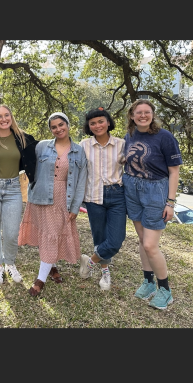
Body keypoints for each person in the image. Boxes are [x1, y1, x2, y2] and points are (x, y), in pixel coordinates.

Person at [18, 112, 87, 296]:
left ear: (68, 125)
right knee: (48, 233)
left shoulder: (79, 151)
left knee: (52, 233)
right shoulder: (41, 147)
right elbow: (28, 163)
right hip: (40, 197)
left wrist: (75, 207)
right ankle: (52, 267)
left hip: (63, 199)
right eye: (53, 127)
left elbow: (81, 181)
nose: (58, 129)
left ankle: (41, 278)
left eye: (61, 125)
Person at [123, 99, 182, 310]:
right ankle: (148, 282)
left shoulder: (165, 137)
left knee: (150, 244)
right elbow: (129, 158)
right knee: (141, 239)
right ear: (132, 115)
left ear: (152, 114)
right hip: (132, 188)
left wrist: (171, 202)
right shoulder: (129, 136)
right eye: (138, 112)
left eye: (147, 112)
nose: (143, 116)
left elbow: (174, 171)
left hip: (155, 191)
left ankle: (165, 290)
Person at [0, 104, 37, 285]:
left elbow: (39, 154)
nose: (3, 119)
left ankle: (10, 263)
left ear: (11, 117)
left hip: (13, 189)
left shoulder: (23, 138)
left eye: (6, 115)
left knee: (11, 233)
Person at [78, 107, 127, 290]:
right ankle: (105, 272)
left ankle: (90, 262)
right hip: (93, 196)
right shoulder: (84, 145)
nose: (97, 125)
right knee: (99, 237)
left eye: (101, 121)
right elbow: (79, 172)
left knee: (116, 240)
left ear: (108, 122)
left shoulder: (121, 144)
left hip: (117, 195)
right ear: (89, 127)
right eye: (93, 123)